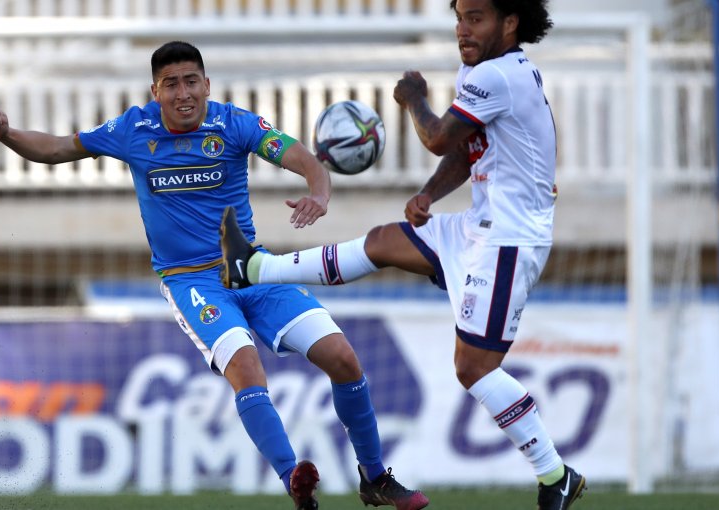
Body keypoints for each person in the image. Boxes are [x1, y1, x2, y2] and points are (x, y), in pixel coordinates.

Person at [0, 41, 428, 510]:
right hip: (191, 281)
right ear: (155, 91)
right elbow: (56, 148)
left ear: (206, 85)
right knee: (247, 368)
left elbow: (299, 155)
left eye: (191, 81)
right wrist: (7, 135)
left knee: (343, 358)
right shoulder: (132, 129)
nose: (183, 93)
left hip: (251, 269)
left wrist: (319, 191)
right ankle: (294, 479)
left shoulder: (233, 124)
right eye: (171, 84)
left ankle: (375, 478)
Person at [221, 1, 587, 508]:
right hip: (477, 227)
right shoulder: (481, 71)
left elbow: (437, 137)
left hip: (509, 240)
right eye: (459, 16)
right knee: (381, 243)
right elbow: (464, 149)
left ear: (510, 22)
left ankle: (554, 475)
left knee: (473, 368)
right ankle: (256, 269)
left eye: (476, 17)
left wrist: (414, 98)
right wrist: (430, 196)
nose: (463, 29)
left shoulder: (500, 76)